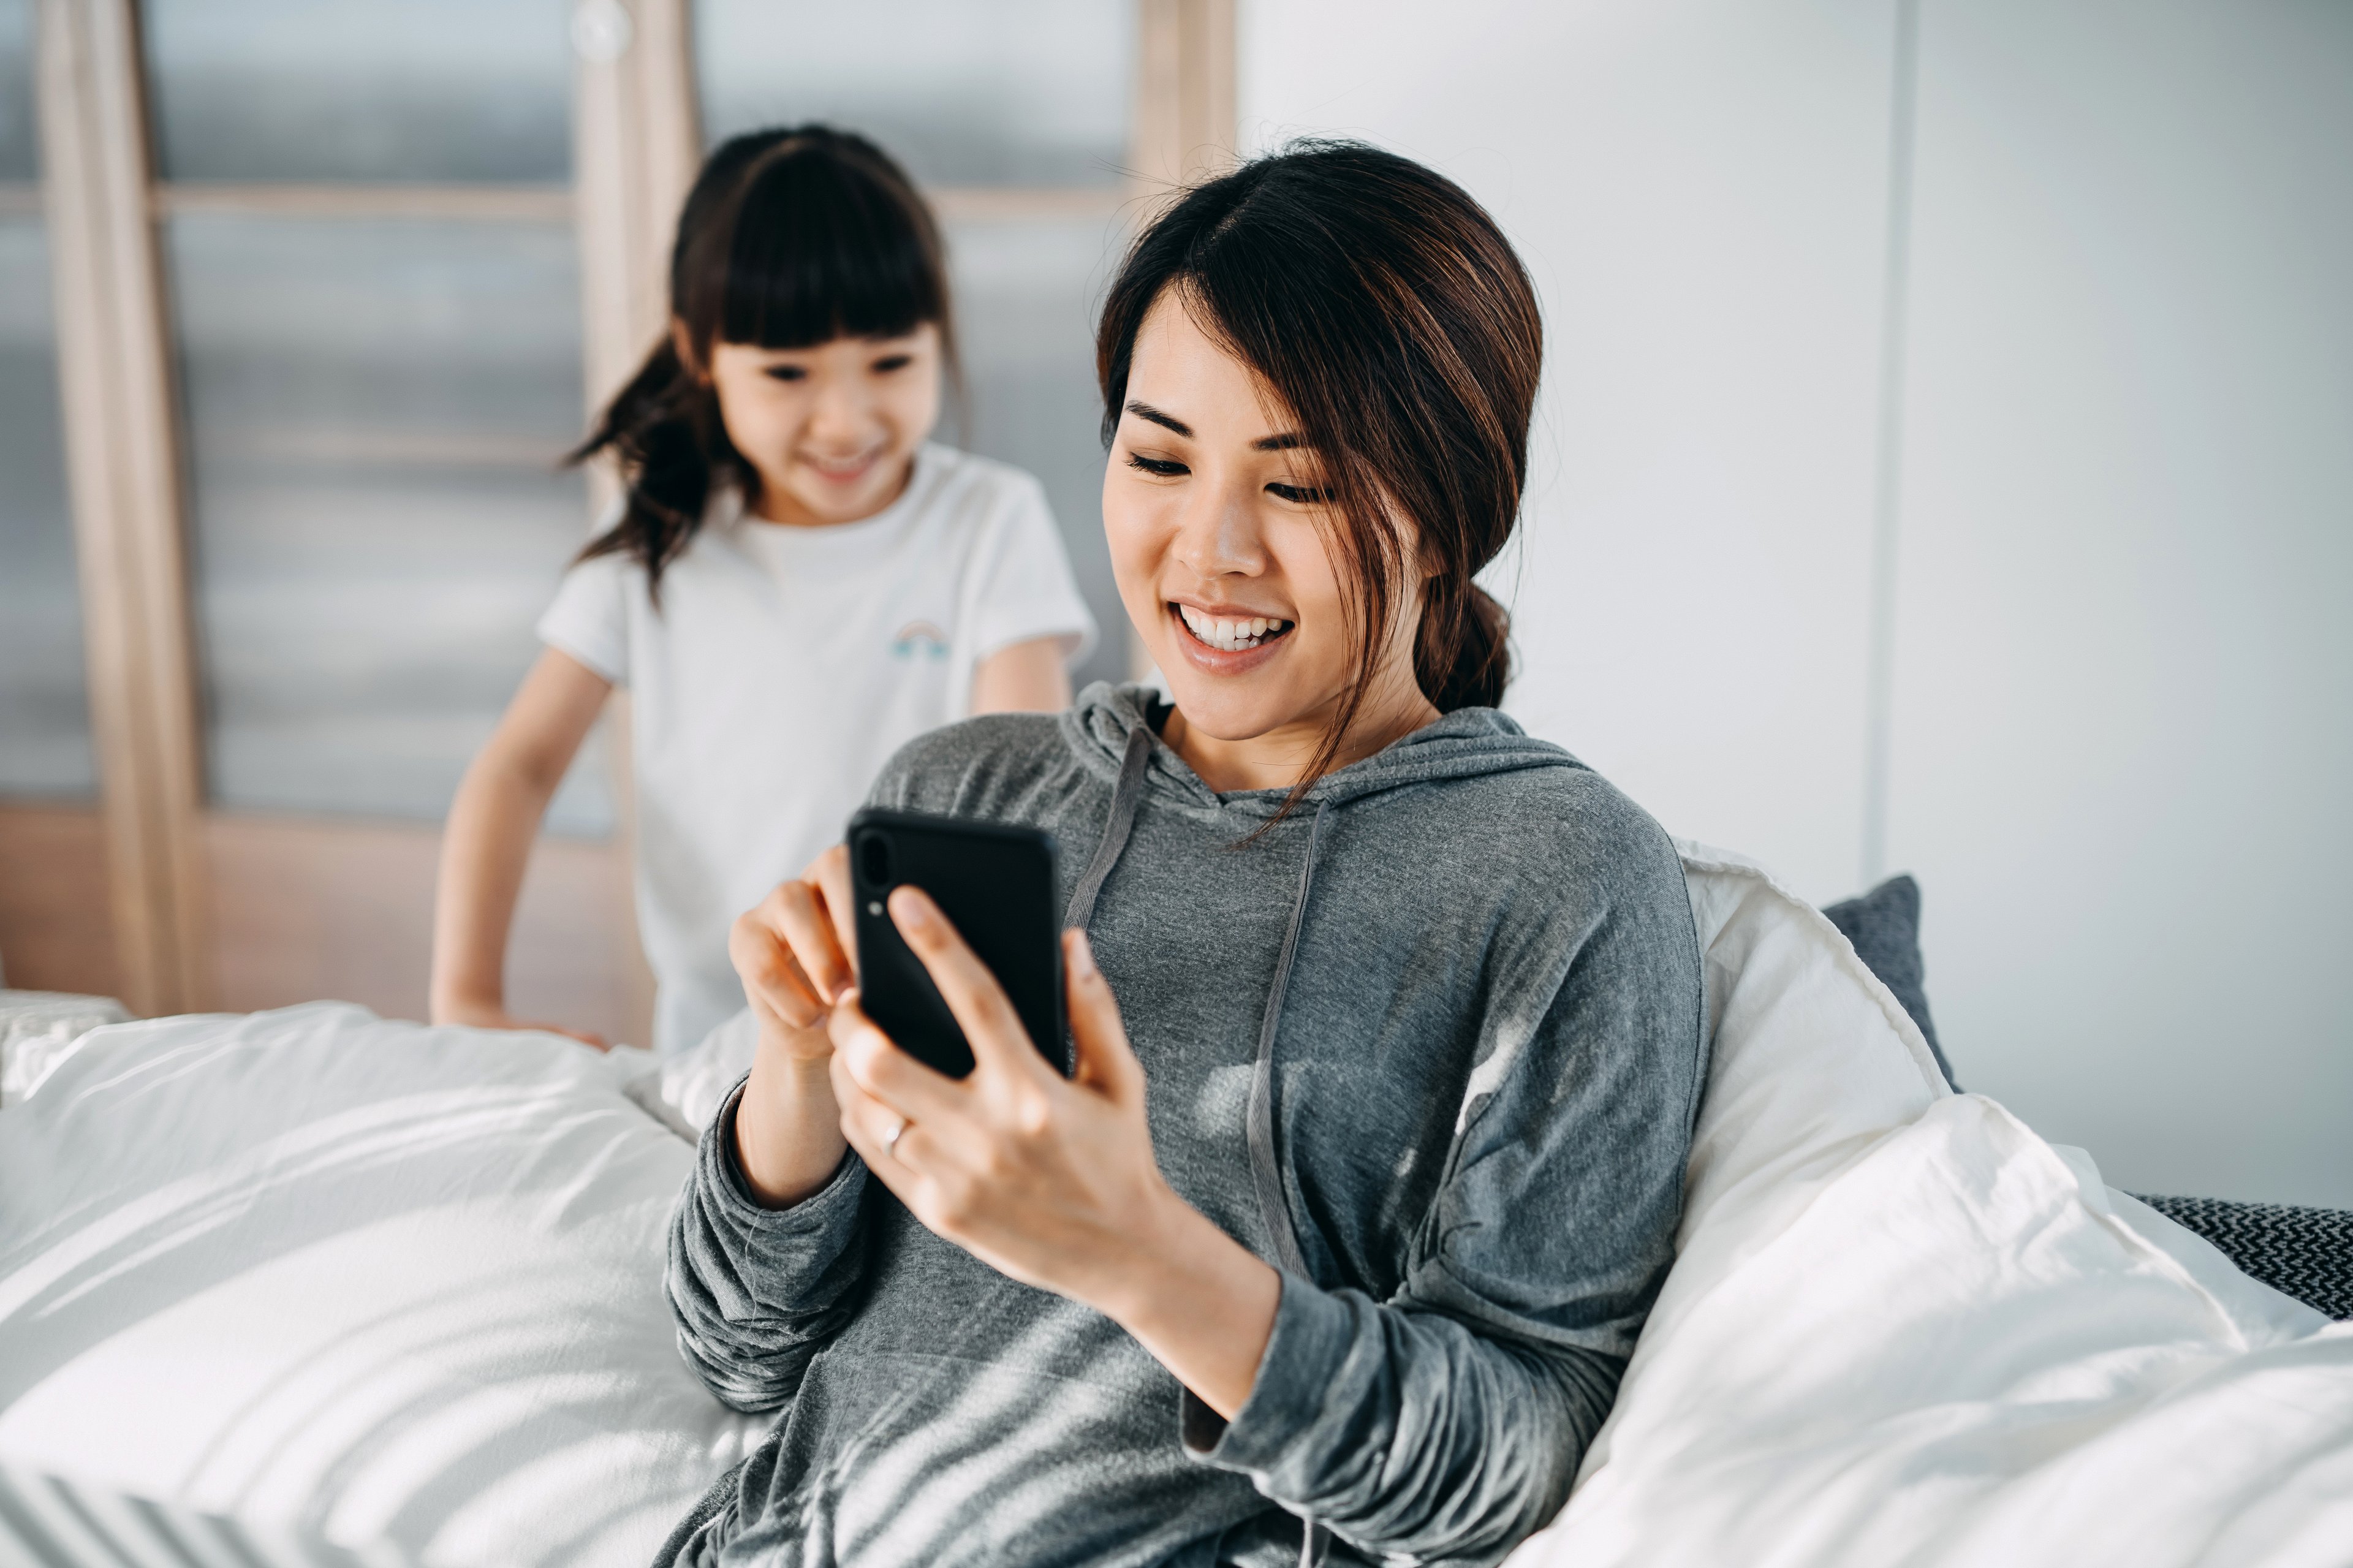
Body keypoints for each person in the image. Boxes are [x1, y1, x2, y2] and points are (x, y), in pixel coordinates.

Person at [662, 143, 1705, 1566]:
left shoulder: (1569, 879)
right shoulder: (964, 790)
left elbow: (1516, 1459)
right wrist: (789, 1078)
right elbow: (735, 1351)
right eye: (1158, 457)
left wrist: (1135, 1254)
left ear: (1458, 510)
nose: (1209, 551)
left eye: (1305, 485)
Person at [430, 127, 1096, 1054]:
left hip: (938, 1033)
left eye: (892, 363)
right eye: (788, 374)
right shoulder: (656, 548)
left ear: (936, 339)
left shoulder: (990, 521)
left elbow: (1027, 786)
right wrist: (466, 998)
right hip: (717, 1045)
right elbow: (519, 767)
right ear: (700, 355)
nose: (846, 419)